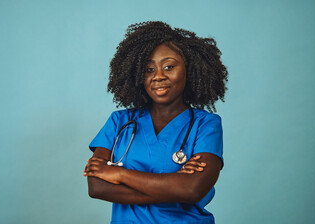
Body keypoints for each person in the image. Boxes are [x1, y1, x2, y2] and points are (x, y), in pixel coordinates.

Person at [83, 21, 228, 224]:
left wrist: (118, 174)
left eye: (169, 67)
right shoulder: (119, 121)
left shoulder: (206, 125)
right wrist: (175, 187)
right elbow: (97, 187)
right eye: (149, 69)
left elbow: (192, 189)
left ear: (189, 69)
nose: (158, 76)